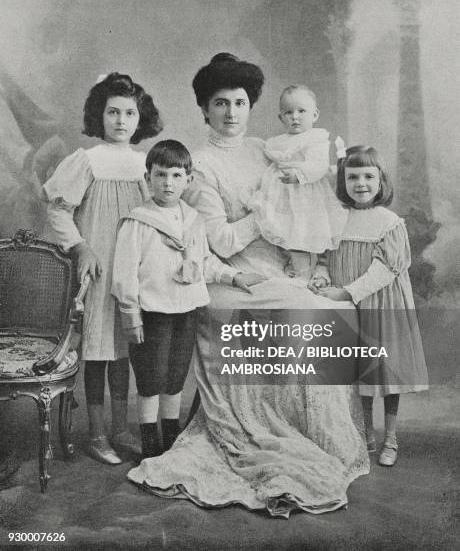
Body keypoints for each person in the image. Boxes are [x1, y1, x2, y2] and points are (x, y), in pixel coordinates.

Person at [127, 54, 369, 517]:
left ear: (251, 105)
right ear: (204, 109)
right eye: (221, 103)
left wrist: (310, 260)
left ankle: (310, 433)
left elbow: (307, 204)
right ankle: (252, 430)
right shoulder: (196, 164)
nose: (232, 112)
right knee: (291, 309)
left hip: (279, 266)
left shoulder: (268, 148)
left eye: (240, 102)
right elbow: (219, 239)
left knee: (323, 309)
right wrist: (266, 213)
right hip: (226, 275)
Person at [111, 140, 264, 459]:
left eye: (177, 175)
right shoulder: (137, 221)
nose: (168, 183)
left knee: (176, 373)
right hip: (151, 312)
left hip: (187, 308)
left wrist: (233, 276)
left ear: (188, 180)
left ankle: (171, 433)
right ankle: (150, 438)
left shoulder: (193, 219)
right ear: (148, 177)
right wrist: (131, 316)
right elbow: (124, 274)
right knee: (151, 376)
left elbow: (204, 261)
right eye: (161, 175)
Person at [43, 73, 163, 464]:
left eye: (130, 112)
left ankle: (121, 428)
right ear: (100, 115)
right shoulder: (87, 160)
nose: (121, 121)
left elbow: (157, 216)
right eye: (113, 112)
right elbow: (59, 209)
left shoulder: (146, 165)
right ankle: (96, 433)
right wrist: (80, 246)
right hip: (97, 270)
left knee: (125, 351)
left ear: (140, 118)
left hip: (133, 272)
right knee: (97, 351)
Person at [314, 145, 428, 467]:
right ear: (343, 181)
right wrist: (322, 278)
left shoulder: (389, 222)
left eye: (368, 176)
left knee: (386, 372)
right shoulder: (337, 219)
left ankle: (390, 437)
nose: (360, 183)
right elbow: (324, 257)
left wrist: (348, 292)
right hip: (348, 306)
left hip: (380, 302)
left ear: (381, 180)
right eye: (352, 177)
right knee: (357, 373)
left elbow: (385, 269)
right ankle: (364, 435)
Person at [245, 85, 346, 280]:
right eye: (288, 112)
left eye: (301, 111)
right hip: (282, 194)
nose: (295, 117)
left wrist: (299, 176)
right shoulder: (277, 141)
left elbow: (318, 165)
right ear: (281, 117)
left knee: (304, 230)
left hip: (306, 195)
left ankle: (307, 271)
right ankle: (294, 263)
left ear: (315, 115)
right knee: (285, 230)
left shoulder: (315, 138)